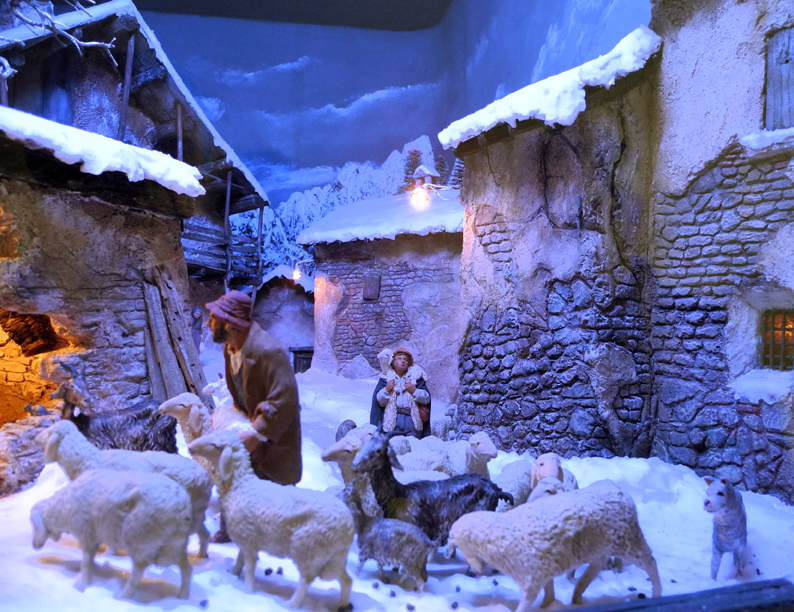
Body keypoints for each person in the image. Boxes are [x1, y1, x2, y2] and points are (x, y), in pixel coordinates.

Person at [205, 290, 302, 538]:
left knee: (270, 495)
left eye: (213, 318)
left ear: (229, 323)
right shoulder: (230, 349)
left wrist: (256, 434)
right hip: (246, 427)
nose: (207, 323)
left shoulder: (268, 352)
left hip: (273, 436)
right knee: (233, 477)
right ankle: (231, 528)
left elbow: (286, 401)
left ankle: (273, 537)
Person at [370, 348, 431, 438]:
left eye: (405, 359)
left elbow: (426, 399)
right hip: (393, 421)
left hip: (411, 421)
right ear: (393, 362)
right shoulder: (386, 379)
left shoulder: (415, 378)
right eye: (399, 359)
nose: (403, 361)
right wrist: (386, 390)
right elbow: (380, 402)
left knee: (413, 443)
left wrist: (415, 391)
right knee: (393, 443)